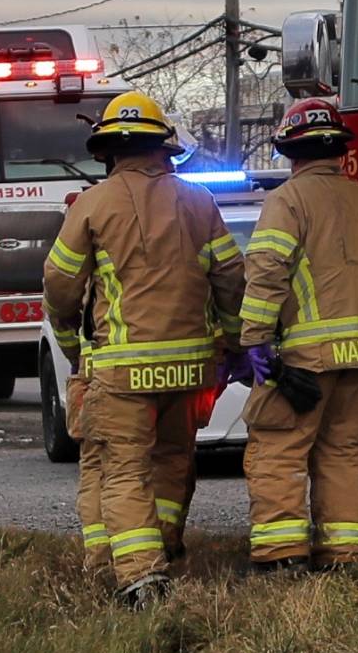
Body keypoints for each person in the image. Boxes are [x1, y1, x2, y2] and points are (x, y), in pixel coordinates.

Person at [43, 90, 244, 610]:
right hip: (191, 369)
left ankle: (138, 574)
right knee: (175, 459)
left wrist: (71, 347)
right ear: (163, 147)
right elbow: (231, 280)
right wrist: (235, 344)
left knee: (122, 469)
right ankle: (167, 547)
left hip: (122, 372)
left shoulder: (91, 205)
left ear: (107, 151)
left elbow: (61, 287)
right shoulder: (199, 201)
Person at [232, 98, 358, 573]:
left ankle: (282, 555)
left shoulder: (287, 200)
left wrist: (255, 338)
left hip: (305, 360)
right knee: (344, 453)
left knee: (279, 448)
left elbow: (267, 271)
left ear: (290, 152)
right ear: (338, 151)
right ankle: (344, 554)